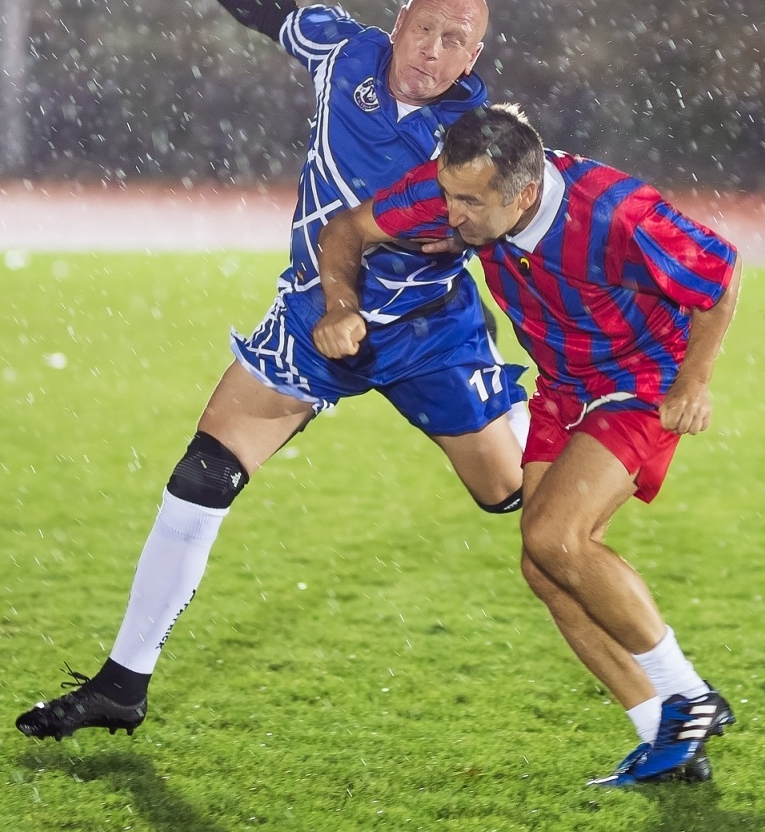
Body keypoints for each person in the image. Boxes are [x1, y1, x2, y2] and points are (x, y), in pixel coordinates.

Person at [15, 0, 531, 740]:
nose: (432, 51)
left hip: (429, 336)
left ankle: (534, 417)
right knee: (202, 473)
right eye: (424, 29)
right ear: (398, 22)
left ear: (475, 55)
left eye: (454, 41)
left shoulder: (476, 138)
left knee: (509, 492)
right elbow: (271, 10)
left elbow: (525, 229)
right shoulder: (345, 52)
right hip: (313, 321)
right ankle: (122, 682)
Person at [313, 105, 743, 786]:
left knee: (555, 535)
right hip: (563, 384)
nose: (449, 212)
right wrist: (341, 304)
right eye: (448, 194)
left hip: (642, 378)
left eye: (468, 204)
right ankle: (661, 733)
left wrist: (695, 381)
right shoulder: (459, 187)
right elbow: (346, 229)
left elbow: (720, 274)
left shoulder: (616, 213)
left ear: (524, 195)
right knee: (544, 566)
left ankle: (687, 695)